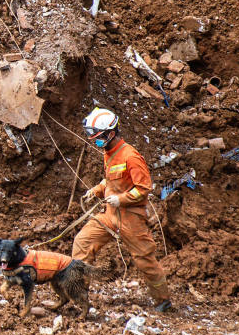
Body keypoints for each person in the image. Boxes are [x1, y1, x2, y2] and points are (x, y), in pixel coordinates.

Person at [72, 107, 172, 312]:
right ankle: (79, 296)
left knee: (144, 259)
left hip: (130, 218)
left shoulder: (131, 156)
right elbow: (111, 180)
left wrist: (122, 199)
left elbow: (143, 189)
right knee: (83, 242)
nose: (95, 142)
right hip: (110, 215)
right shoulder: (108, 154)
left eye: (98, 137)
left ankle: (163, 300)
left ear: (110, 134)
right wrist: (98, 190)